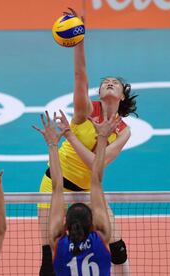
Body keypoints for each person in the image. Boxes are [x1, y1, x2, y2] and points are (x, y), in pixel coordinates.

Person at [38, 8, 136, 276]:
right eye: (106, 82)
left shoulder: (123, 131)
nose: (109, 83)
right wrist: (79, 40)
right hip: (55, 185)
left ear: (122, 98)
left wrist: (69, 136)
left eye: (115, 83)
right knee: (48, 258)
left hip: (91, 193)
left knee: (118, 249)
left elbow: (96, 165)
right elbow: (80, 76)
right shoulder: (84, 111)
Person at [34, 111, 117, 276]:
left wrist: (52, 145)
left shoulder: (59, 244)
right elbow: (96, 180)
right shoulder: (102, 238)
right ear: (93, 225)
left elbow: (57, 186)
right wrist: (102, 138)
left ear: (65, 226)